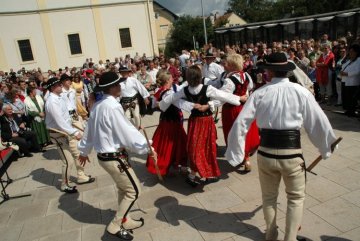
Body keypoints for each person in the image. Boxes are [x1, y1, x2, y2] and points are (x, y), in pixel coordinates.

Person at [225, 52, 337, 241]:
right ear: (287, 71)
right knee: (295, 198)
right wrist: (326, 146)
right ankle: (290, 238)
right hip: (292, 156)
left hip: (266, 155)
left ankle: (271, 234)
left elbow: (240, 124)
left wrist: (235, 154)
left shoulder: (259, 94)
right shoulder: (301, 92)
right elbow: (318, 122)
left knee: (268, 197)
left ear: (268, 72)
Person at [78, 72, 156, 240]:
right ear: (112, 88)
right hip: (113, 157)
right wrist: (146, 146)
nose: (121, 87)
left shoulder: (98, 105)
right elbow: (126, 132)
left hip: (105, 157)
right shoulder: (111, 106)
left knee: (124, 188)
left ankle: (125, 219)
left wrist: (84, 151)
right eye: (118, 85)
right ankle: (115, 225)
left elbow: (88, 131)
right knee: (134, 190)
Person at [160, 65, 241, 187]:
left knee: (196, 146)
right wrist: (239, 98)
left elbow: (170, 99)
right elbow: (224, 96)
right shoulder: (207, 88)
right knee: (206, 147)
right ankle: (201, 173)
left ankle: (200, 174)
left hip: (194, 121)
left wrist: (190, 105)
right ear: (200, 77)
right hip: (206, 121)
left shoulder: (185, 90)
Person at [45, 77, 95, 193]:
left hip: (66, 130)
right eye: (58, 85)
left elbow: (67, 114)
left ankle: (81, 176)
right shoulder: (52, 101)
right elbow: (59, 121)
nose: (61, 85)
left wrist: (75, 125)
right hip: (58, 134)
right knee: (68, 161)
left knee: (77, 153)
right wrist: (74, 132)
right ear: (52, 88)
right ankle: (64, 185)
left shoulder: (59, 97)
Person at [220, 54, 259, 172]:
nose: (224, 64)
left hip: (231, 110)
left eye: (226, 63)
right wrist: (244, 96)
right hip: (244, 108)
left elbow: (223, 96)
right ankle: (246, 158)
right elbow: (250, 87)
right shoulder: (246, 75)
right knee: (244, 132)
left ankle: (241, 157)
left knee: (234, 133)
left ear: (232, 65)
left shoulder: (229, 80)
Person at [146, 71, 190, 176]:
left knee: (169, 143)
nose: (172, 80)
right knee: (174, 143)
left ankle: (176, 163)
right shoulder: (168, 92)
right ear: (167, 80)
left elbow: (153, 105)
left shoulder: (159, 91)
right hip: (172, 121)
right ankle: (174, 164)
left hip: (166, 120)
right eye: (171, 79)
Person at [339, 44, 360, 117]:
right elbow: (343, 66)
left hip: (353, 82)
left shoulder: (358, 60)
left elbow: (357, 71)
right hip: (345, 81)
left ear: (356, 52)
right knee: (346, 97)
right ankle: (348, 110)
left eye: (352, 52)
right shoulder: (349, 60)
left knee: (352, 98)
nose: (350, 53)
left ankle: (352, 111)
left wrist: (347, 74)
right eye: (349, 52)